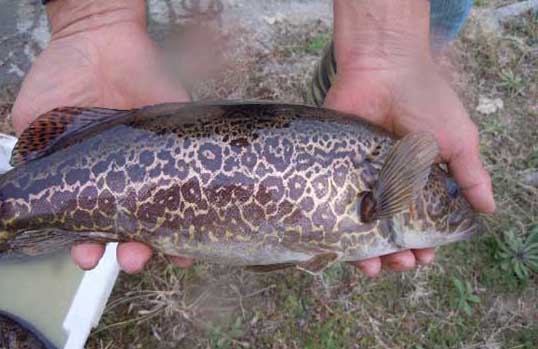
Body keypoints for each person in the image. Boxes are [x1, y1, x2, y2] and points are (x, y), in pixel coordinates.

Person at [11, 0, 495, 277]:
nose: (453, 201)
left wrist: (391, 51)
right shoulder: (384, 189)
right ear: (396, 192)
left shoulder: (381, 177)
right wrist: (93, 14)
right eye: (448, 192)